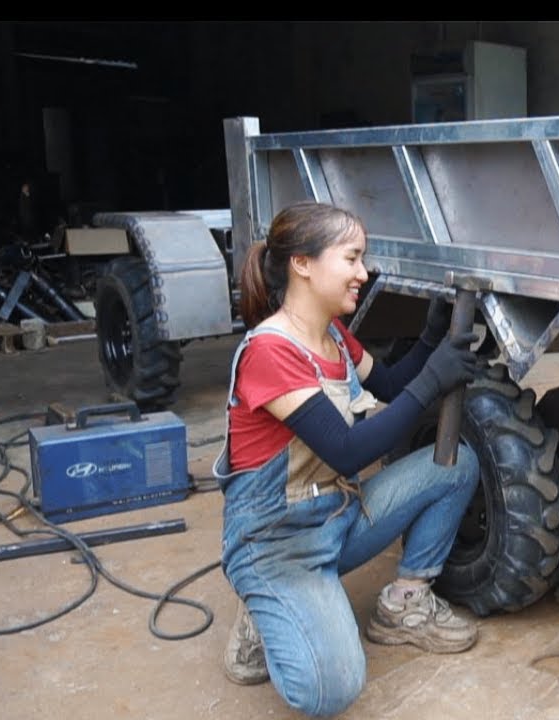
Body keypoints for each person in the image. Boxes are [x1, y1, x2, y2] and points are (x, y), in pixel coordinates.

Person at [211, 202, 482, 716]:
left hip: (340, 515)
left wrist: (430, 340)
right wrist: (434, 380)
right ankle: (263, 613)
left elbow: (391, 384)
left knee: (456, 465)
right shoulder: (271, 352)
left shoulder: (334, 336)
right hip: (278, 544)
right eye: (352, 258)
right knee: (330, 690)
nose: (364, 272)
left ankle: (404, 603)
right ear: (303, 265)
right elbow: (348, 447)